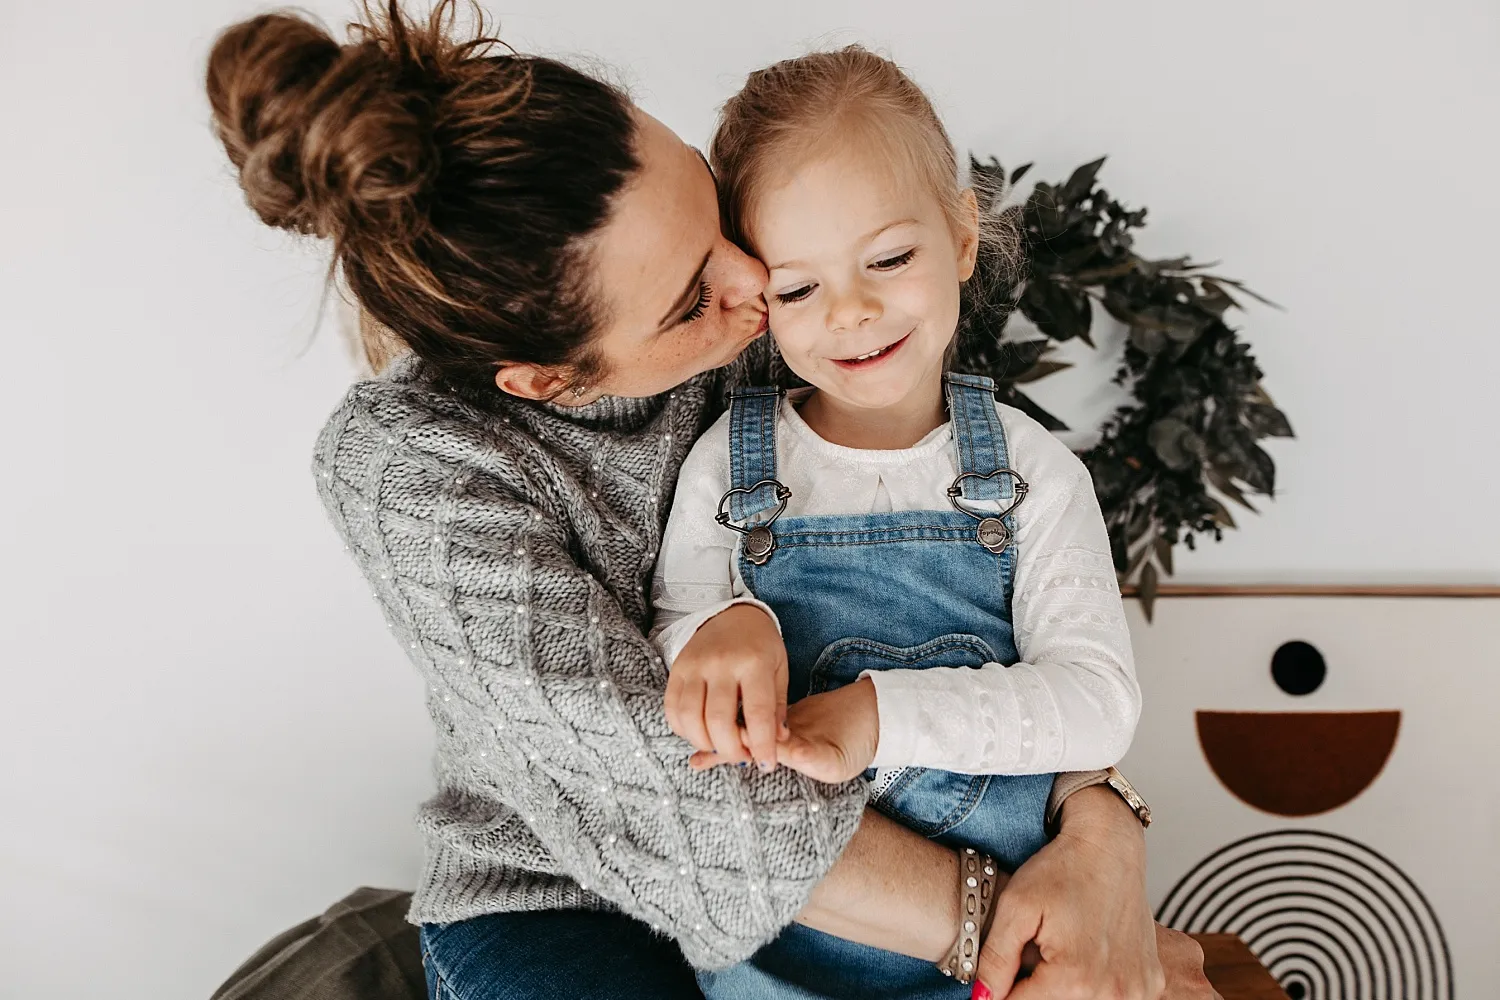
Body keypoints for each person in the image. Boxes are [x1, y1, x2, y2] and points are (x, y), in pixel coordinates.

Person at [204, 3, 1220, 1000]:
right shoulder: (409, 462)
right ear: (549, 380)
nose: (759, 287)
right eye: (694, 296)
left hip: (896, 843)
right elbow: (668, 796)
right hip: (565, 900)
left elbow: (1026, 618)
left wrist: (1099, 834)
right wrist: (1029, 942)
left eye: (711, 204)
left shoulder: (822, 320)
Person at [650, 47, 1142, 998]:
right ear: (757, 301)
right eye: (799, 289)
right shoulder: (725, 464)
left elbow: (1096, 704)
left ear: (962, 237)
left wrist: (875, 717)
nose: (853, 311)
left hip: (1002, 954)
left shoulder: (1034, 475)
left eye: (889, 259)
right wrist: (717, 626)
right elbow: (670, 641)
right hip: (773, 953)